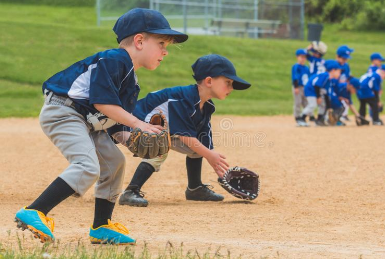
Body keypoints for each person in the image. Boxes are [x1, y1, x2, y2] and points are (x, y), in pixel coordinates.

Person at [13, 8, 188, 244]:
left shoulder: (130, 80)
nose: (165, 51)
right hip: (64, 112)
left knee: (115, 162)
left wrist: (130, 138)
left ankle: (101, 226)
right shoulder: (114, 60)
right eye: (161, 43)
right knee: (87, 166)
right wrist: (138, 124)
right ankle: (35, 210)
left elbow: (113, 120)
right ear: (139, 41)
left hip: (89, 121)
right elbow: (102, 102)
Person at [111, 54, 251, 207]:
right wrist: (209, 155)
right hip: (128, 126)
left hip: (157, 130)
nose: (231, 88)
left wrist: (217, 166)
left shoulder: (207, 106)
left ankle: (195, 188)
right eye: (228, 82)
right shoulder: (183, 100)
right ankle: (131, 191)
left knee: (198, 147)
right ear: (209, 81)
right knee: (161, 145)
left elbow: (203, 137)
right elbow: (185, 136)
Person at [298, 60, 342, 126]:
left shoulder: (329, 80)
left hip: (315, 91)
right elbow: (316, 85)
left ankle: (319, 120)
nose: (340, 74)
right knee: (313, 105)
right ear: (333, 70)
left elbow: (326, 94)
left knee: (323, 105)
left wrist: (329, 107)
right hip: (310, 90)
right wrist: (318, 97)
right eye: (339, 72)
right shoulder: (325, 75)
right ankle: (301, 119)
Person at [291, 49, 310, 126]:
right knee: (298, 102)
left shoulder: (306, 68)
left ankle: (303, 118)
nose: (303, 59)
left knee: (306, 103)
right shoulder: (296, 66)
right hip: (298, 87)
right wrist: (296, 87)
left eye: (304, 57)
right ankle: (297, 118)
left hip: (305, 87)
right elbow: (295, 78)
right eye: (301, 57)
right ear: (297, 57)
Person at [336, 45, 354, 121]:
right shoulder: (334, 65)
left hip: (344, 86)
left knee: (347, 100)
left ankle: (344, 115)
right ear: (337, 56)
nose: (345, 60)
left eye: (346, 59)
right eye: (343, 58)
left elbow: (348, 76)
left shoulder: (346, 65)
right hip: (336, 86)